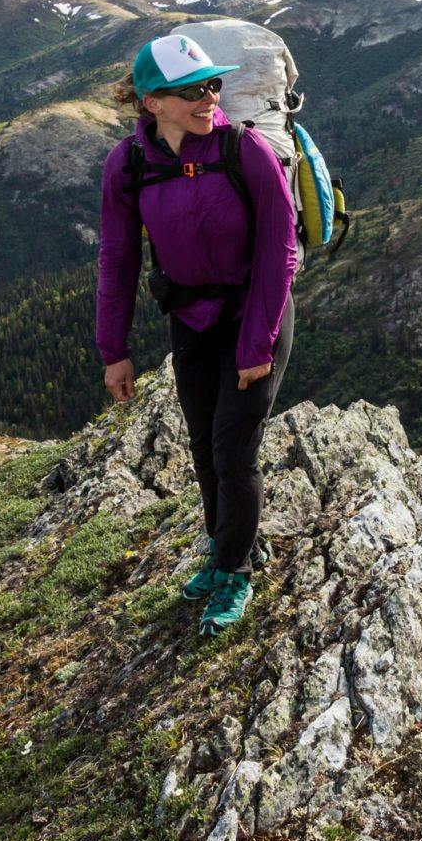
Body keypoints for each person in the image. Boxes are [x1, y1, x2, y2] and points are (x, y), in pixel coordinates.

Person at [96, 33, 297, 636]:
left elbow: (280, 251)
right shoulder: (128, 165)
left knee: (235, 451)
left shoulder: (246, 151)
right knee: (205, 445)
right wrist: (115, 351)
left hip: (256, 314)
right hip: (190, 320)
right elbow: (118, 258)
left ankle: (234, 570)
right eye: (192, 90)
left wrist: (257, 342)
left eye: (213, 85)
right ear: (151, 101)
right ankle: (226, 546)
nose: (210, 98)